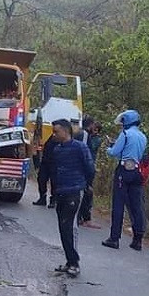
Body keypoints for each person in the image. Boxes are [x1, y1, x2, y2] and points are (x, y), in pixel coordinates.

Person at [49, 119, 95, 278]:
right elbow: (54, 170)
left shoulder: (80, 147)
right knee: (63, 227)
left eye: (56, 132)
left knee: (68, 226)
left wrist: (87, 185)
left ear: (66, 131)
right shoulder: (57, 150)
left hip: (75, 190)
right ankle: (69, 261)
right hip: (61, 191)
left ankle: (74, 263)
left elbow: (90, 167)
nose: (54, 135)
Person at [102, 109, 148, 251]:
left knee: (118, 204)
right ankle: (138, 239)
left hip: (124, 170)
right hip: (136, 171)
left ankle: (114, 238)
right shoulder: (143, 136)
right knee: (136, 206)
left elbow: (115, 152)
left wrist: (109, 147)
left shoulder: (126, 134)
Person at [78, 120, 104, 228]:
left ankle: (85, 217)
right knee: (84, 191)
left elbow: (92, 148)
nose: (94, 130)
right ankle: (82, 217)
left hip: (90, 165)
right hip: (85, 166)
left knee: (87, 191)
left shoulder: (96, 139)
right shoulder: (83, 135)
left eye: (96, 129)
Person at [32, 133, 58, 207]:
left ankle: (53, 200)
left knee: (54, 182)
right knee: (41, 179)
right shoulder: (49, 137)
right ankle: (42, 198)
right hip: (45, 162)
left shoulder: (61, 139)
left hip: (55, 163)